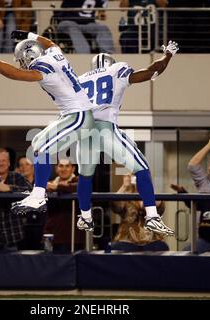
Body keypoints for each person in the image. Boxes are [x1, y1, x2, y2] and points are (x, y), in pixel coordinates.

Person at [0, 30, 95, 216]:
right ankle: (38, 193)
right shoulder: (54, 53)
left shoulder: (42, 69)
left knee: (42, 148)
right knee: (37, 143)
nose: (22, 64)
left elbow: (13, 73)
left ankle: (38, 196)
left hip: (77, 114)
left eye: (21, 60)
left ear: (27, 57)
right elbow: (50, 43)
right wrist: (29, 35)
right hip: (75, 112)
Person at [74, 41, 179, 236]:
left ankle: (85, 216)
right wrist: (167, 56)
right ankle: (152, 217)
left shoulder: (79, 80)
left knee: (85, 175)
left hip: (84, 130)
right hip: (105, 127)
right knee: (142, 167)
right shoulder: (116, 70)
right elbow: (149, 73)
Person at [111, 174, 168, 252]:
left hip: (152, 240)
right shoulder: (126, 195)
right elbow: (116, 206)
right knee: (118, 248)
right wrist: (124, 186)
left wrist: (147, 187)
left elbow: (157, 206)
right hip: (126, 239)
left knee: (159, 247)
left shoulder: (153, 193)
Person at [44, 159, 85, 253]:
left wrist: (56, 187)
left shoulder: (80, 181)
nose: (64, 169)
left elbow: (80, 187)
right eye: (61, 166)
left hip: (74, 237)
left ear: (73, 169)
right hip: (51, 234)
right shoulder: (49, 184)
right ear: (56, 169)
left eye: (67, 166)